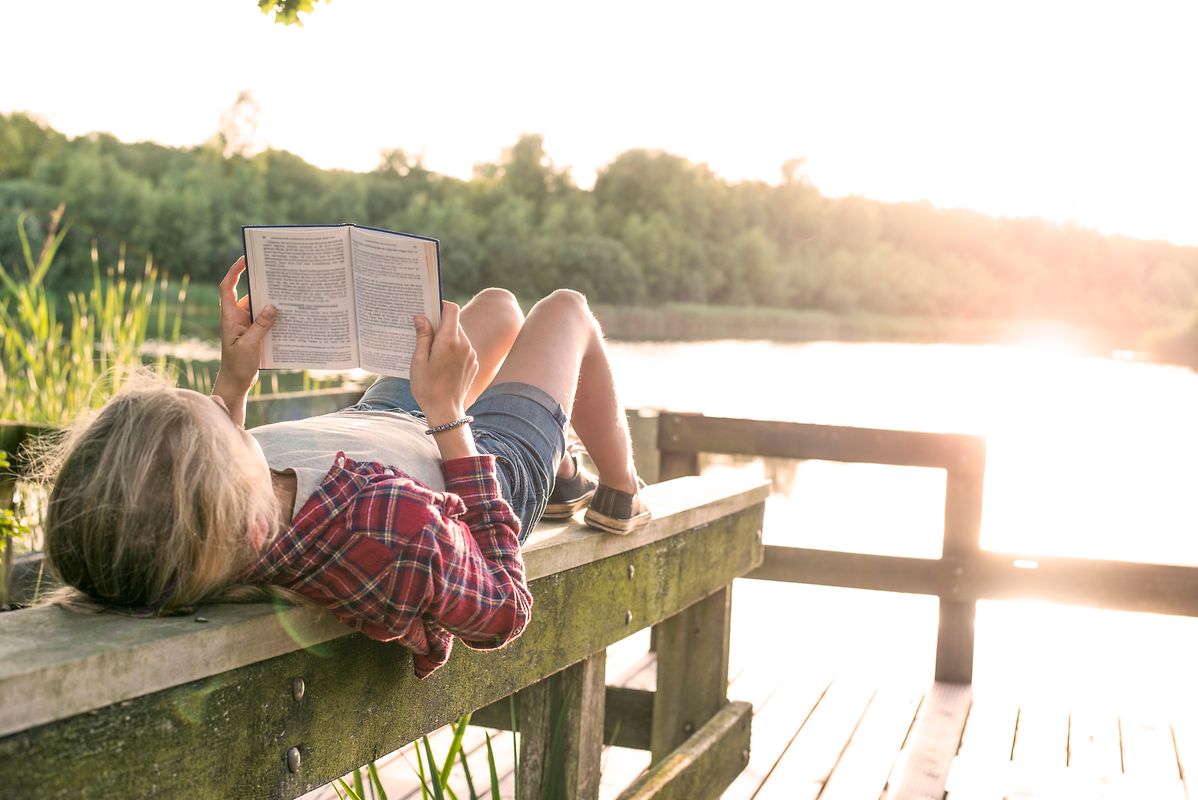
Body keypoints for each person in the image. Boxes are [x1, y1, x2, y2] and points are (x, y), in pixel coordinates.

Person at [42, 257, 649, 677]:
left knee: (492, 309)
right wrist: (445, 412)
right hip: (469, 457)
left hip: (379, 425)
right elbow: (503, 608)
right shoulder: (384, 528)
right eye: (218, 421)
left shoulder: (220, 521)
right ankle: (617, 489)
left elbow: (211, 483)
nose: (214, 405)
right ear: (244, 506)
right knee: (565, 309)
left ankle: (564, 461)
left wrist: (235, 381)